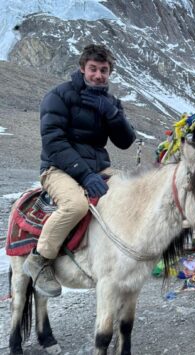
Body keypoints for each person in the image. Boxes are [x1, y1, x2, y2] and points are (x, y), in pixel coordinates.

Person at [23, 44, 136, 297]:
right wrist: (84, 174)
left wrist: (113, 114)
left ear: (110, 73)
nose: (98, 75)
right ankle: (40, 259)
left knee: (134, 191)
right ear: (82, 68)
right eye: (93, 69)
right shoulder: (59, 95)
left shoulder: (110, 102)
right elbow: (53, 141)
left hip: (99, 167)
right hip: (58, 167)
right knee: (76, 205)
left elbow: (126, 141)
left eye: (104, 70)